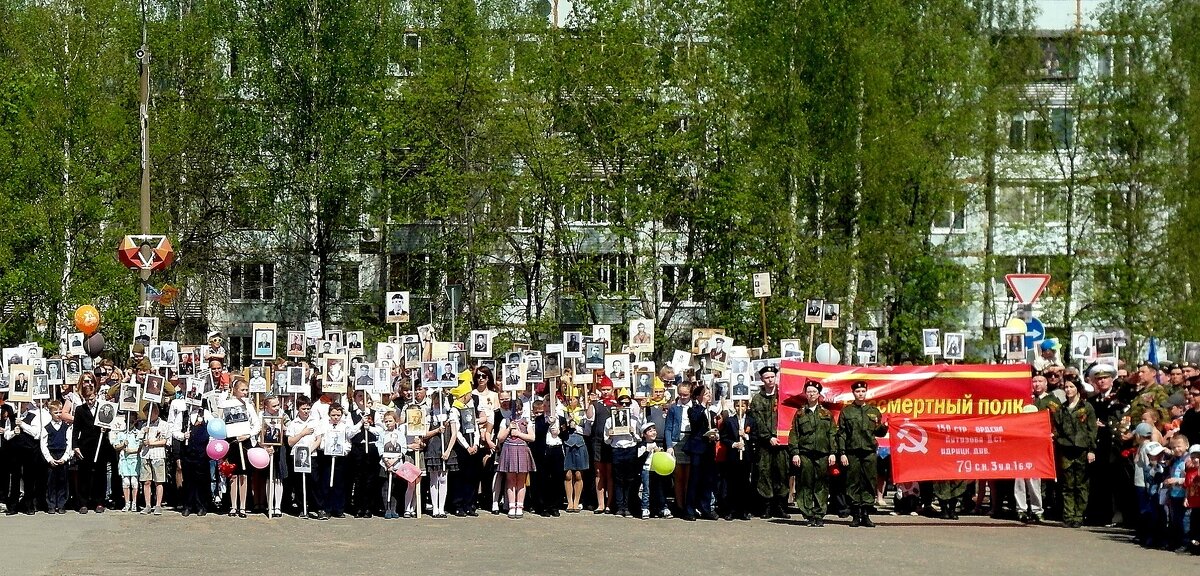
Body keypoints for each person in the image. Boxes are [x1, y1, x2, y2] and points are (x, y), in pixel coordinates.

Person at [837, 381, 887, 527]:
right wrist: (842, 453)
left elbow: (878, 432)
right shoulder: (847, 411)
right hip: (852, 452)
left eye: (863, 391)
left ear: (866, 393)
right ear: (853, 393)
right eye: (857, 391)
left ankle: (866, 514)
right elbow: (841, 434)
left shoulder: (874, 411)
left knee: (869, 482)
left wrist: (884, 428)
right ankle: (855, 514)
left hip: (868, 451)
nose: (860, 394)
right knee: (853, 483)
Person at [1052, 376, 1097, 528]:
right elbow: (1056, 428)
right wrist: (1058, 439)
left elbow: (1092, 430)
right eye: (1066, 387)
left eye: (1071, 387)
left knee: (1082, 484)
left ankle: (1079, 515)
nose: (1068, 390)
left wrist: (1091, 450)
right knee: (1067, 485)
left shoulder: (1086, 407)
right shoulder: (1062, 409)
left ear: (1077, 388)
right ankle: (1068, 515)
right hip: (1066, 449)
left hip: (1082, 449)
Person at [789, 380, 836, 527]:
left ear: (818, 394)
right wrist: (795, 453)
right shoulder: (800, 413)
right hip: (805, 453)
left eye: (814, 392)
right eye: (808, 392)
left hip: (822, 453)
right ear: (805, 394)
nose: (811, 394)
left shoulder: (826, 413)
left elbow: (832, 434)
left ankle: (819, 514)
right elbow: (794, 434)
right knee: (805, 484)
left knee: (821, 485)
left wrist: (833, 453)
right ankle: (808, 514)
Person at [1016, 371, 1060, 523]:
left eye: (1040, 381)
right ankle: (1021, 509)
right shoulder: (1026, 399)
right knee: (1019, 477)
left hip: (1039, 444)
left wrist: (1052, 435)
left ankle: (1037, 509)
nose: (1037, 384)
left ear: (1046, 384)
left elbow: (1057, 421)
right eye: (1034, 381)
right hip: (1022, 443)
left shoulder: (1052, 401)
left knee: (1035, 478)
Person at [749, 365, 789, 518]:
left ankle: (780, 506)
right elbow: (756, 421)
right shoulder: (757, 399)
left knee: (781, 473)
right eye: (767, 377)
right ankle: (765, 506)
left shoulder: (783, 396)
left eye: (772, 377)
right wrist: (768, 437)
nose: (770, 380)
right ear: (762, 379)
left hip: (782, 442)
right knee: (764, 474)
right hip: (764, 444)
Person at [223, 378, 263, 518]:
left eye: (247, 390)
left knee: (244, 475)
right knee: (233, 475)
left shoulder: (248, 405)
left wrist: (248, 435)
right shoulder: (226, 403)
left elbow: (257, 425)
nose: (245, 393)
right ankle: (233, 506)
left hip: (245, 442)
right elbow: (222, 421)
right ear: (235, 390)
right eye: (242, 390)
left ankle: (243, 507)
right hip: (232, 441)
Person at [683, 385, 718, 521]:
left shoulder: (712, 412)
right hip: (697, 448)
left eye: (709, 393)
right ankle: (689, 510)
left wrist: (715, 435)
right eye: (706, 394)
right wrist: (702, 404)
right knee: (694, 480)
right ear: (698, 396)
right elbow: (696, 421)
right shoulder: (694, 409)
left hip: (709, 448)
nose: (708, 396)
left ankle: (705, 508)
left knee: (708, 480)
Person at [498, 397, 536, 518]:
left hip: (522, 449)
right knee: (510, 480)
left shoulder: (526, 421)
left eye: (520, 410)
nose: (518, 412)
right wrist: (509, 428)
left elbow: (532, 437)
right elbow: (500, 438)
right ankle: (511, 506)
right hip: (509, 449)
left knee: (521, 480)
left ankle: (520, 505)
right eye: (516, 410)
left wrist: (519, 433)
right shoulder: (506, 421)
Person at [720, 398, 755, 521]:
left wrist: (745, 436)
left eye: (743, 406)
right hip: (733, 457)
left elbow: (755, 436)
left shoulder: (751, 421)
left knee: (744, 483)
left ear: (747, 407)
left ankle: (744, 510)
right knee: (732, 483)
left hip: (746, 457)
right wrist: (734, 444)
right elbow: (724, 437)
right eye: (738, 406)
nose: (740, 408)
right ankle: (730, 510)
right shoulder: (730, 421)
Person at [177, 408, 211, 516]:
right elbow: (174, 431)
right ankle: (187, 506)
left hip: (202, 453)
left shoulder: (206, 413)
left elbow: (213, 430)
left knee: (201, 480)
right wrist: (182, 436)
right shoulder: (183, 413)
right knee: (188, 480)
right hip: (187, 452)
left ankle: (201, 506)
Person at [40, 400, 72, 514]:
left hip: (62, 454)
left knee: (63, 481)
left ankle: (62, 504)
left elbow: (69, 443)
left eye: (60, 412)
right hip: (52, 454)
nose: (58, 415)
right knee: (51, 482)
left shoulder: (66, 427)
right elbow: (43, 445)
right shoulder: (46, 428)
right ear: (50, 413)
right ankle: (51, 504)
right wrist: (49, 459)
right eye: (56, 413)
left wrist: (65, 457)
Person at [139, 404, 170, 515]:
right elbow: (139, 440)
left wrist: (151, 443)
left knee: (158, 481)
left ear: (156, 413)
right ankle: (147, 505)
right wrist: (143, 433)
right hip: (146, 455)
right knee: (146, 481)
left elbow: (164, 441)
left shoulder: (163, 425)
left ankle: (158, 505)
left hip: (158, 455)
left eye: (149, 414)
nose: (148, 417)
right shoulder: (144, 425)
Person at [111, 416, 142, 512]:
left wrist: (131, 451)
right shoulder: (121, 433)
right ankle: (127, 503)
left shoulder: (138, 433)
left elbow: (141, 447)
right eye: (128, 421)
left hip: (135, 460)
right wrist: (123, 445)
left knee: (134, 482)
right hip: (124, 460)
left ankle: (134, 503)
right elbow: (116, 446)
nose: (130, 423)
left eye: (132, 421)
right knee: (126, 482)